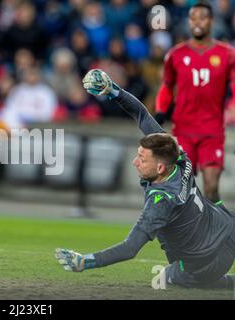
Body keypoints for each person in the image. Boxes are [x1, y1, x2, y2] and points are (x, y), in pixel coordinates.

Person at [55, 69, 235, 290]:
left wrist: (85, 261)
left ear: (159, 167)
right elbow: (141, 115)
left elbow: (130, 248)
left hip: (205, 265)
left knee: (168, 277)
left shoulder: (161, 200)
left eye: (141, 158)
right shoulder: (178, 157)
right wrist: (113, 90)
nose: (135, 161)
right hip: (229, 231)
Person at [154, 1, 235, 203]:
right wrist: (161, 111)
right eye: (193, 18)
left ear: (212, 21)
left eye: (202, 17)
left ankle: (218, 229)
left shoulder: (227, 54)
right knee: (181, 188)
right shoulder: (175, 54)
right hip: (183, 129)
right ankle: (185, 232)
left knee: (211, 186)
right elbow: (166, 86)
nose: (197, 22)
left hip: (212, 130)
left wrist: (232, 108)